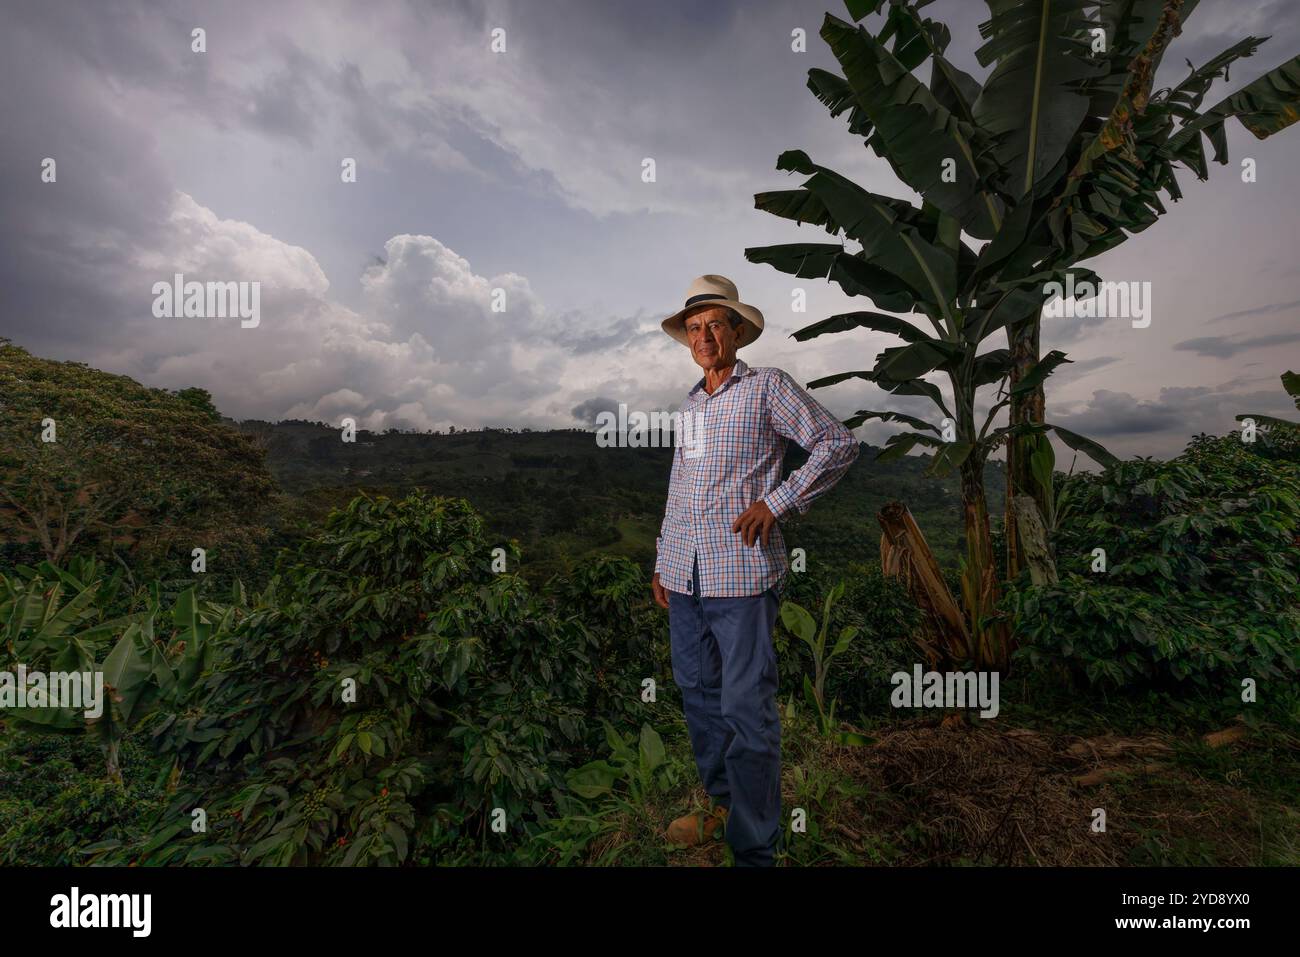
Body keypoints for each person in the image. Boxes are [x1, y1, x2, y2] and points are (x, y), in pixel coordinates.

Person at [652, 274, 860, 866]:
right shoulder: (691, 404)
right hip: (685, 578)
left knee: (746, 711)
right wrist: (664, 561)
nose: (703, 336)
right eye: (694, 328)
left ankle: (755, 849)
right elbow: (680, 488)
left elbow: (835, 443)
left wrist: (779, 501)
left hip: (741, 580)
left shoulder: (767, 387)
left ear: (738, 332)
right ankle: (721, 806)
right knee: (698, 696)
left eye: (715, 324)